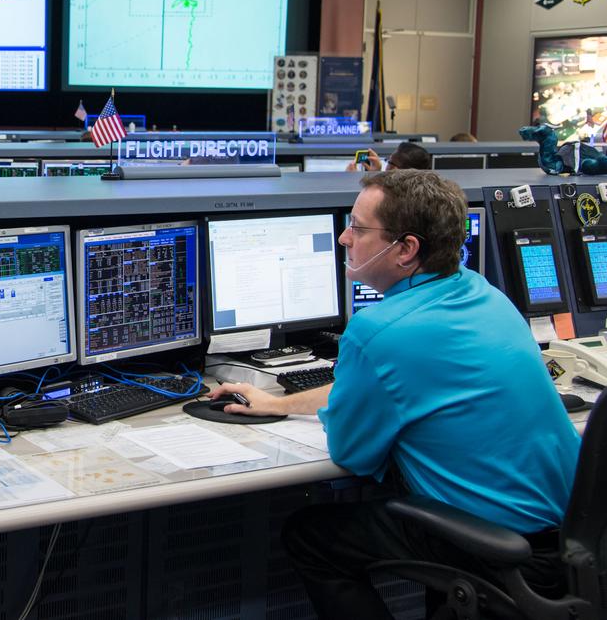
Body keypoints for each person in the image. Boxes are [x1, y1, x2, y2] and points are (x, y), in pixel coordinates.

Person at [208, 170, 580, 620]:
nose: (345, 237)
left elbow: (354, 455)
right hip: (568, 540)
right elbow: (395, 386)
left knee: (312, 537)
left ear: (405, 249)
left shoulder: (378, 332)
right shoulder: (485, 295)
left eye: (359, 228)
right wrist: (281, 404)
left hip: (498, 547)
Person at [346, 140, 430, 171]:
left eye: (389, 162)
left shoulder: (387, 195)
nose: (386, 164)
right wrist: (375, 174)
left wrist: (353, 179)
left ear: (397, 170)